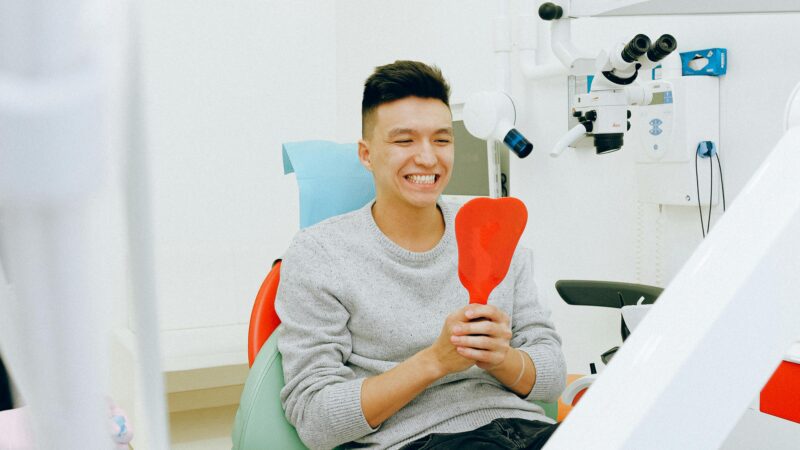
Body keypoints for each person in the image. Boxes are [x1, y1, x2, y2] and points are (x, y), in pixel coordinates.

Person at [276, 60, 566, 450]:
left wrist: (502, 358)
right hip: (418, 440)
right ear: (366, 154)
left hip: (528, 431)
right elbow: (315, 419)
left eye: (442, 140)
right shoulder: (321, 254)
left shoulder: (488, 230)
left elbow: (550, 377)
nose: (428, 158)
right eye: (404, 141)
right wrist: (435, 361)